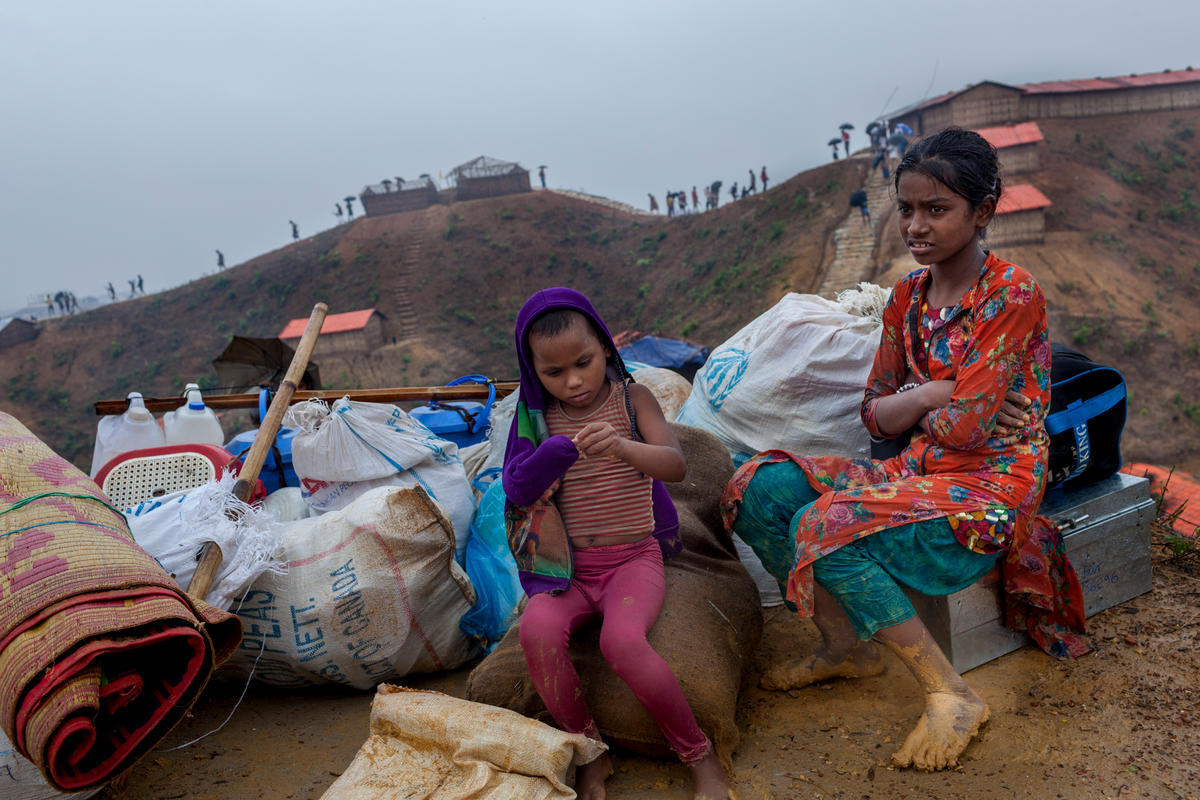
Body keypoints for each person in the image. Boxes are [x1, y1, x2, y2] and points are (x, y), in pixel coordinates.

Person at [723, 128, 1084, 772]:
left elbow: (971, 434)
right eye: (908, 209)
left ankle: (952, 693)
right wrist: (934, 394)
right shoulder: (905, 299)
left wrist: (922, 404)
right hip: (917, 468)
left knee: (825, 522)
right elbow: (876, 414)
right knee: (757, 486)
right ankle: (846, 647)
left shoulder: (1010, 296)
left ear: (983, 211)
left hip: (991, 488)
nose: (916, 226)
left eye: (937, 210)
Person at [504, 288, 732, 800]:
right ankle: (591, 751)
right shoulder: (534, 420)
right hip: (568, 572)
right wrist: (553, 455)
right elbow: (516, 487)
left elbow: (675, 464)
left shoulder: (633, 400)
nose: (574, 381)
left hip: (632, 560)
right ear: (532, 371)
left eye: (583, 363)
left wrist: (626, 447)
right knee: (536, 631)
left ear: (605, 348)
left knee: (621, 643)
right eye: (554, 372)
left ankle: (700, 754)